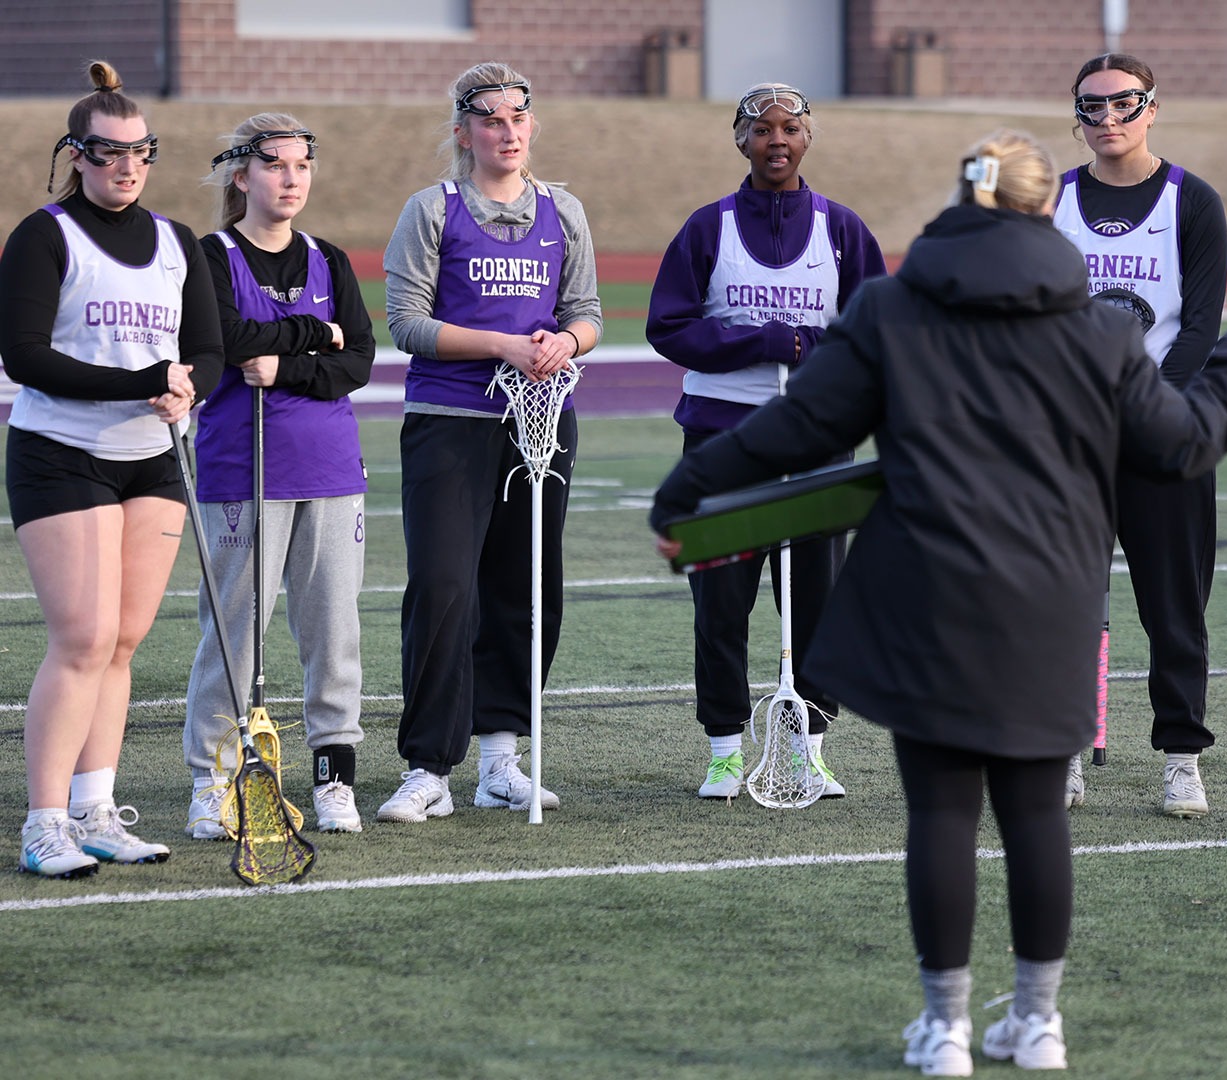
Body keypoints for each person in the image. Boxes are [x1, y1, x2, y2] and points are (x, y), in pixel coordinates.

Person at [649, 129, 1227, 1078]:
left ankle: (943, 1030)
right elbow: (1182, 446)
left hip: (925, 591)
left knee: (940, 815)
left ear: (963, 200)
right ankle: (1038, 1024)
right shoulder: (1102, 328)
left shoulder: (890, 307)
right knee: (1034, 816)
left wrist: (685, 495)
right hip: (1050, 598)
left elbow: (798, 426)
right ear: (1041, 209)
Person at [0, 60, 223, 877]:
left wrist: (189, 385)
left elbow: (205, 346)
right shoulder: (43, 236)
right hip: (62, 454)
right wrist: (142, 382)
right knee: (83, 637)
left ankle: (96, 808)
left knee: (124, 641)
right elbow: (24, 358)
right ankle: (43, 822)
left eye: (141, 152)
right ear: (77, 154)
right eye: (108, 153)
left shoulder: (175, 243)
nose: (126, 166)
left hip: (152, 457)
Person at [646, 82, 887, 800]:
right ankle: (724, 749)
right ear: (740, 140)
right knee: (721, 601)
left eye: (790, 129)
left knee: (814, 602)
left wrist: (820, 347)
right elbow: (670, 326)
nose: (776, 141)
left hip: (815, 446)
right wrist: (757, 341)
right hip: (723, 441)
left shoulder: (843, 230)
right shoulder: (707, 227)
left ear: (808, 138)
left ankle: (805, 747)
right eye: (761, 130)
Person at [377, 61, 603, 823]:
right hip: (450, 426)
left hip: (540, 424)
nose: (507, 132)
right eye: (491, 121)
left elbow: (589, 312)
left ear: (531, 125)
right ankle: (428, 766)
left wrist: (564, 342)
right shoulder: (433, 209)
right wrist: (502, 346)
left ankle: (502, 759)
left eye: (517, 118)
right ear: (464, 132)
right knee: (444, 590)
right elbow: (406, 323)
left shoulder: (563, 209)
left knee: (527, 590)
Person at [182, 114, 376, 839]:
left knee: (333, 628)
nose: (291, 179)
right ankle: (212, 778)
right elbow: (227, 342)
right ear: (242, 175)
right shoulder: (212, 255)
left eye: (302, 166)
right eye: (275, 166)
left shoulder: (329, 258)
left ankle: (334, 777)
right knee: (233, 632)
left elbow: (356, 357)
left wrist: (287, 364)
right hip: (242, 469)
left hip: (329, 468)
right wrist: (307, 336)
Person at [1053, 53, 1227, 817]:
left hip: (1163, 432)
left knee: (1174, 603)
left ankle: (1181, 757)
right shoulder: (1051, 201)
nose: (1108, 120)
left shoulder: (1193, 201)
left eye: (1123, 104)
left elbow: (1200, 324)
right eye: (1092, 108)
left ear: (1152, 107)